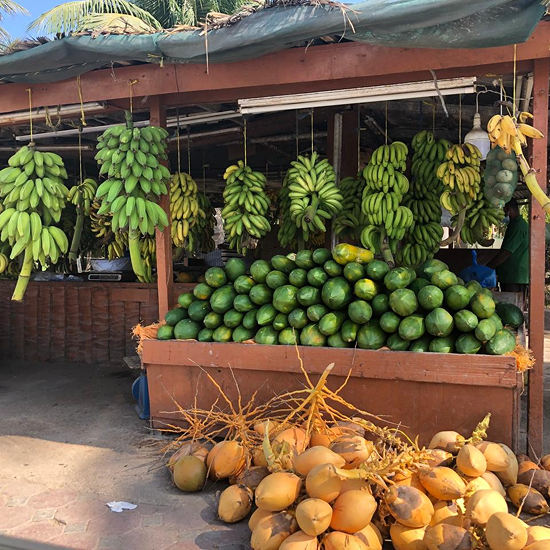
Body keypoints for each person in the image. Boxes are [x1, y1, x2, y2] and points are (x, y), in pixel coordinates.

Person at [487, 198, 529, 293]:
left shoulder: (519, 226)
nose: (503, 214)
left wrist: (487, 268)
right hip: (509, 276)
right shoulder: (514, 225)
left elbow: (506, 253)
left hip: (515, 277)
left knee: (512, 305)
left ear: (508, 209)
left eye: (503, 211)